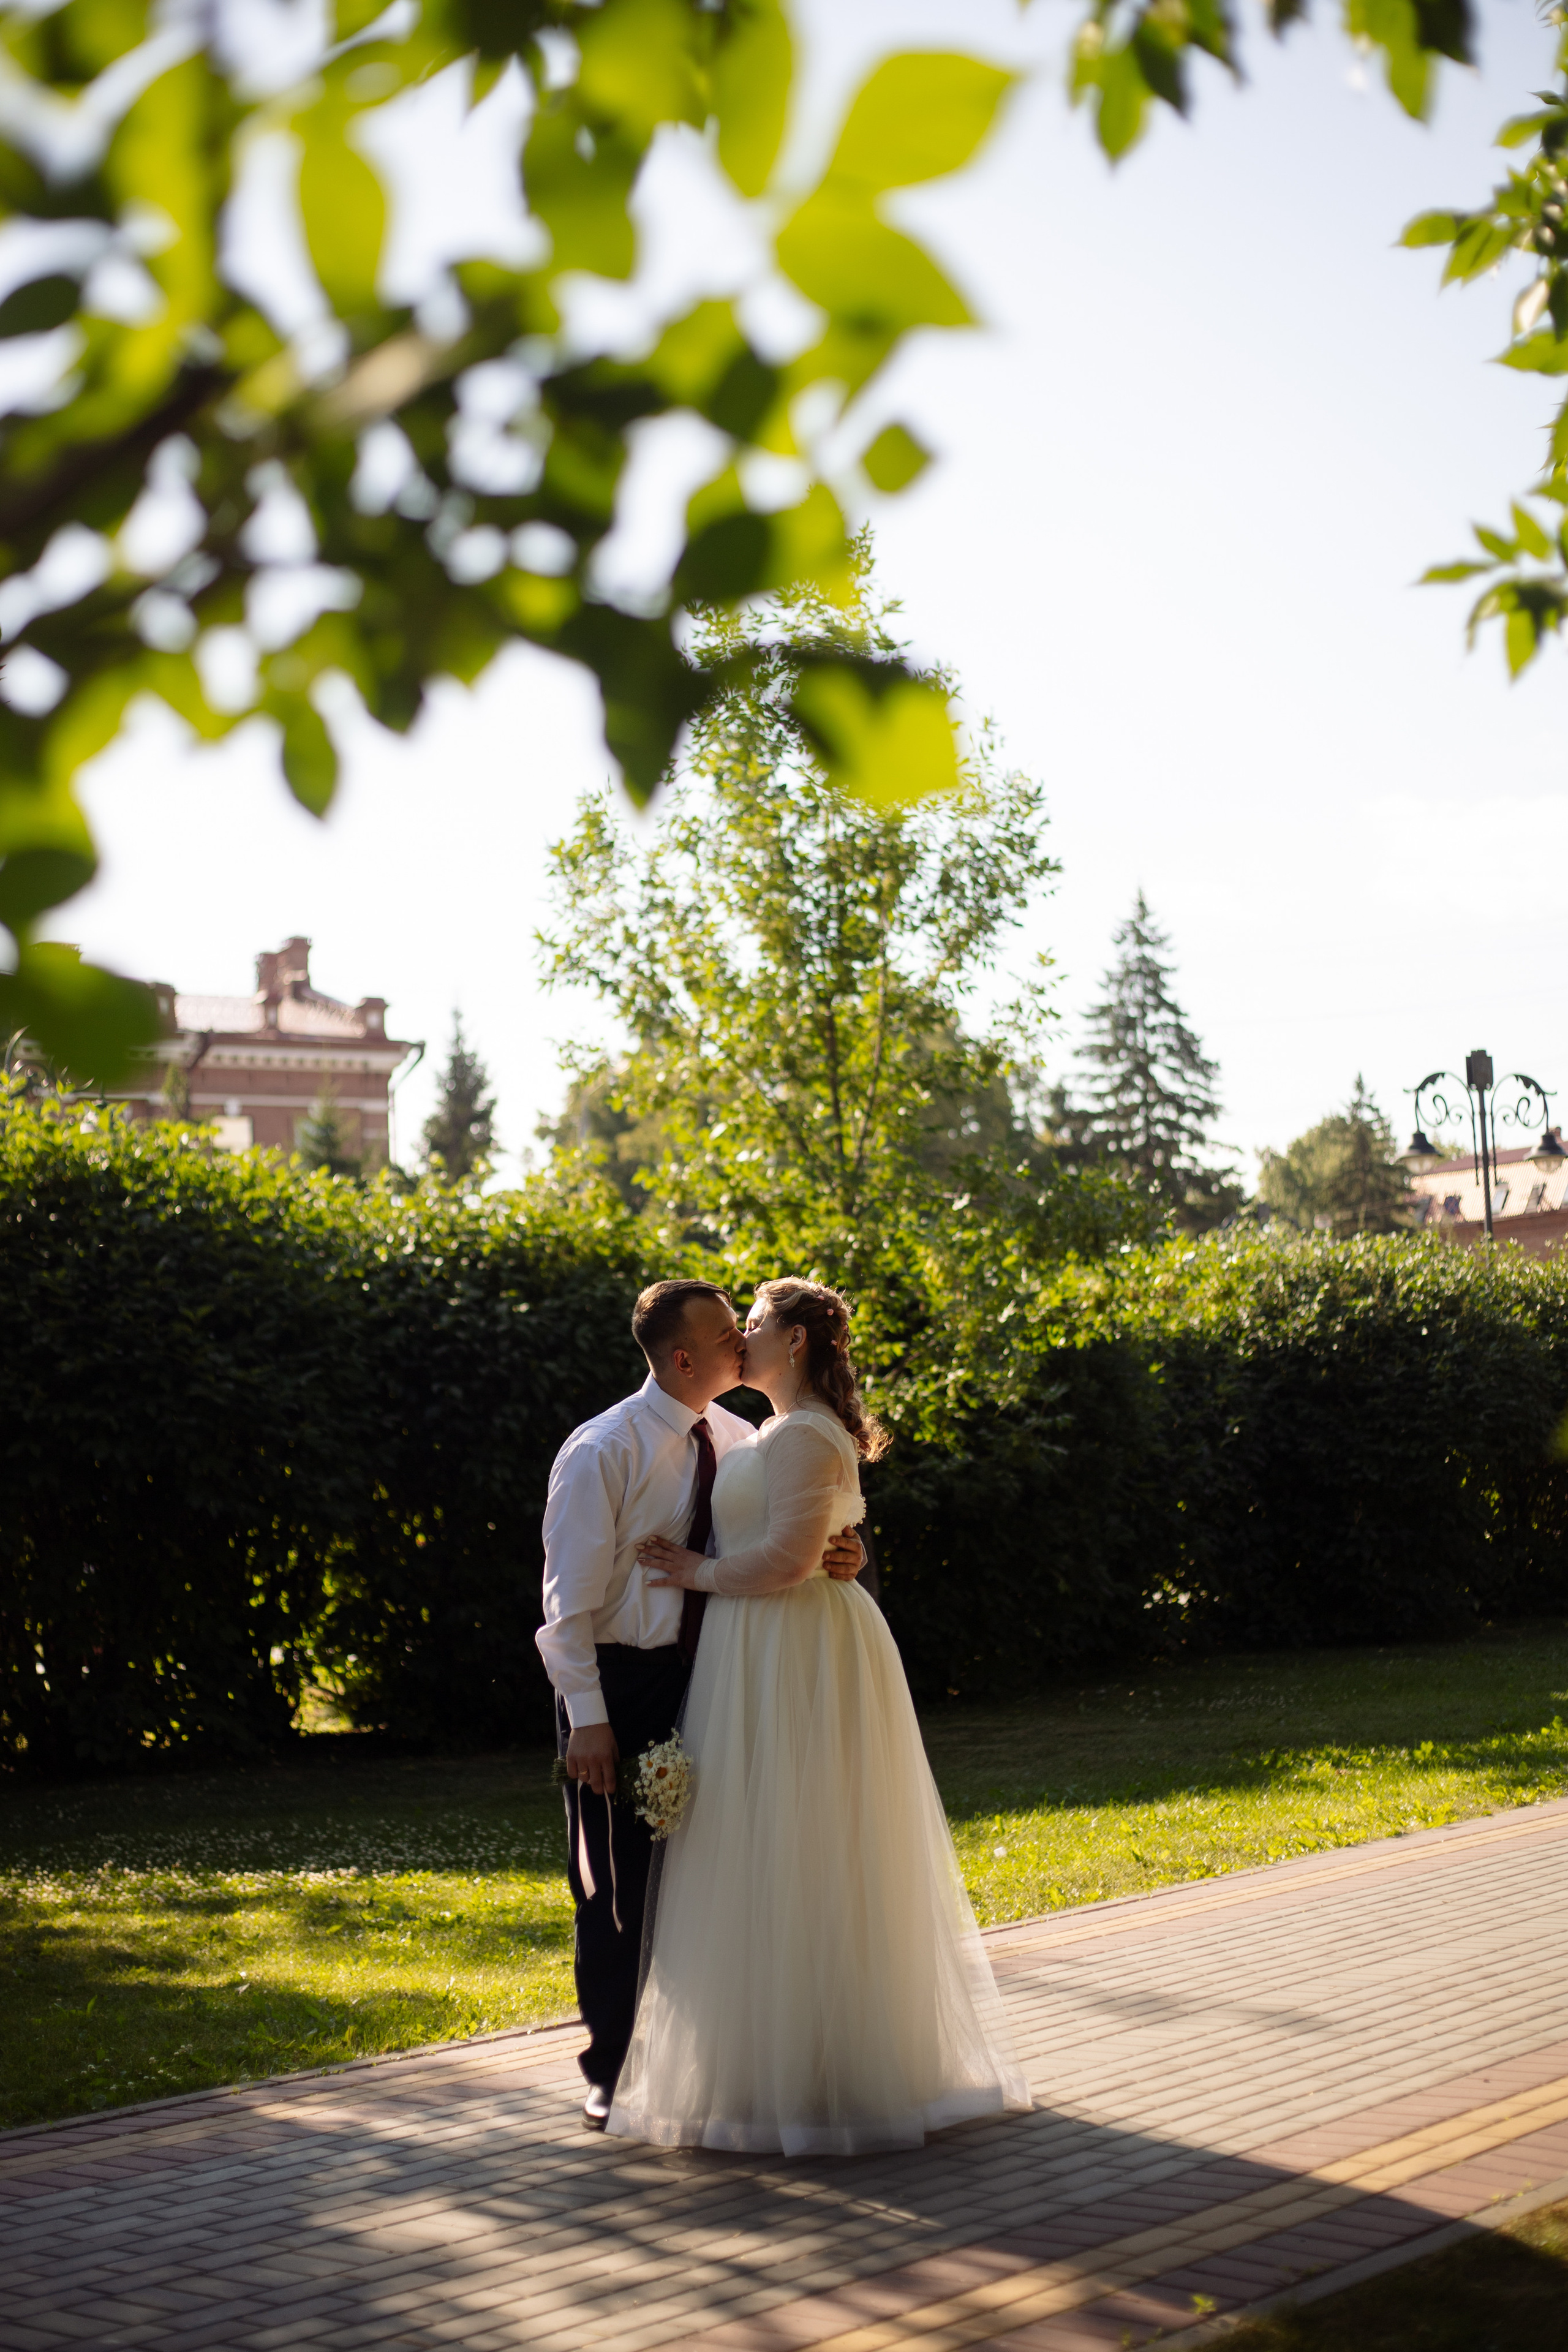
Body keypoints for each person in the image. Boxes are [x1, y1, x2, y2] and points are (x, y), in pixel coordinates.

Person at [609, 1278, 1030, 2156]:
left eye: (753, 1325)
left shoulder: (803, 1433)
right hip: (758, 1648)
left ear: (794, 1343)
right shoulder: (766, 1432)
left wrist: (692, 1572)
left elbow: (788, 1560)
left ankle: (828, 2073)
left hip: (795, 1650)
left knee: (809, 1842)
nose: (741, 1339)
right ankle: (772, 2065)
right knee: (764, 1846)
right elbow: (809, 1536)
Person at [537, 1278, 866, 2132]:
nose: (740, 1343)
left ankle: (699, 2064)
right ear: (684, 1358)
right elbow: (566, 1601)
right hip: (620, 1681)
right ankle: (612, 2070)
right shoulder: (603, 1448)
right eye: (727, 1335)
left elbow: (779, 1531)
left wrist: (839, 1548)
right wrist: (589, 1715)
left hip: (719, 1677)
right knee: (617, 1886)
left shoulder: (742, 1434)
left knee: (712, 1875)